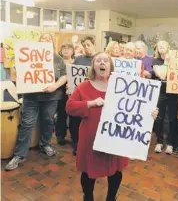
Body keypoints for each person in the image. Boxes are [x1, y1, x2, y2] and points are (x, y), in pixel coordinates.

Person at [66, 52, 159, 201]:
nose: (102, 63)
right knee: (88, 173)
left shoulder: (121, 86)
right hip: (91, 140)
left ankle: (111, 197)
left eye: (106, 61)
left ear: (110, 66)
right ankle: (88, 196)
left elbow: (136, 107)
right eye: (98, 61)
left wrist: (150, 113)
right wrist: (90, 103)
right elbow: (69, 107)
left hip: (115, 138)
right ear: (93, 66)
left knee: (115, 171)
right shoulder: (84, 86)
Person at [5, 33, 67, 171]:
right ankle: (19, 154)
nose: (46, 40)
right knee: (27, 123)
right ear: (38, 42)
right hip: (31, 97)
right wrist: (17, 67)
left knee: (48, 121)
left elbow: (63, 76)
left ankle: (45, 144)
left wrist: (55, 86)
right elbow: (17, 71)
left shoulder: (58, 59)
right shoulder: (27, 55)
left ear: (52, 43)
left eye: (48, 38)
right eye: (43, 38)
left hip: (51, 97)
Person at [69, 36, 97, 155]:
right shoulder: (78, 59)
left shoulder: (99, 58)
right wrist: (69, 85)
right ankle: (76, 144)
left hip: (93, 94)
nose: (86, 47)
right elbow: (72, 75)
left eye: (88, 44)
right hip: (79, 93)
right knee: (75, 120)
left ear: (94, 44)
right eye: (84, 45)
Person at [152, 40, 178, 154]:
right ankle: (159, 141)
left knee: (173, 119)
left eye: (164, 45)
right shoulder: (156, 60)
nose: (161, 46)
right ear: (157, 49)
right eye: (159, 46)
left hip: (174, 92)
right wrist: (166, 62)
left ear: (169, 47)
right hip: (161, 91)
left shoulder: (176, 60)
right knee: (159, 117)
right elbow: (163, 75)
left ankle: (170, 143)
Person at [56, 42, 75, 145]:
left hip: (74, 91)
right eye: (64, 48)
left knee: (74, 114)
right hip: (61, 90)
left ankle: (73, 135)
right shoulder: (58, 62)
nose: (66, 50)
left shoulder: (76, 61)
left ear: (72, 51)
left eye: (68, 48)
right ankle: (60, 135)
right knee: (61, 113)